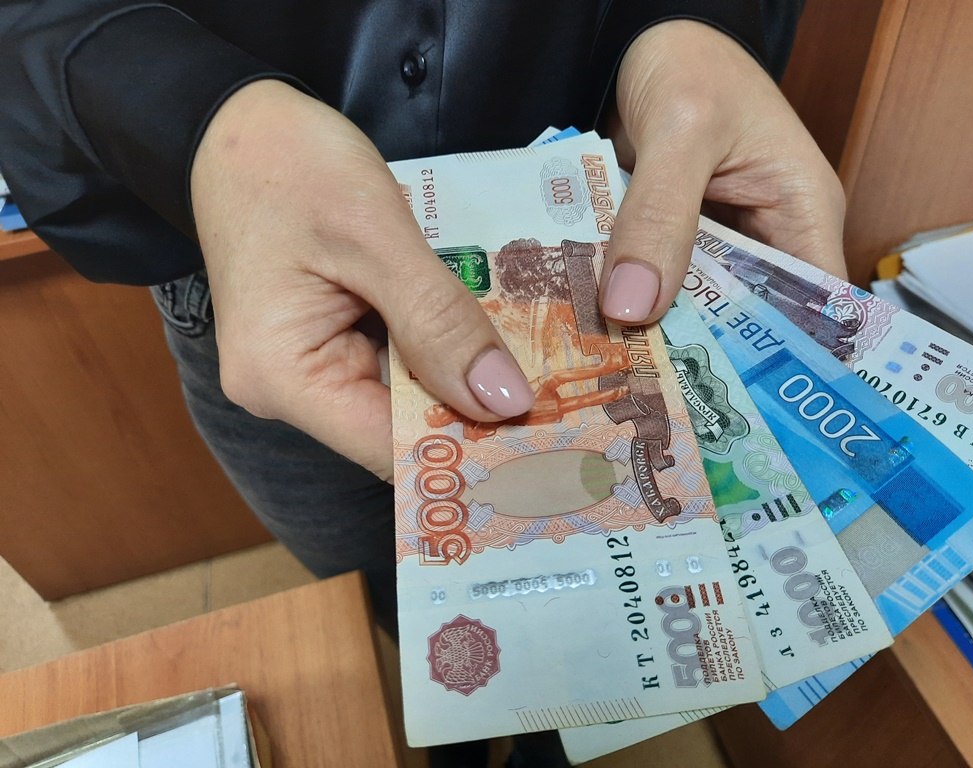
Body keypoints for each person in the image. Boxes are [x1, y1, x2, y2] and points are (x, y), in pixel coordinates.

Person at [0, 2, 847, 764]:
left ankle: (545, 737)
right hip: (268, 281)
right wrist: (202, 117)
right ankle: (463, 723)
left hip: (602, 229)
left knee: (580, 638)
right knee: (394, 596)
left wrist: (693, 26)